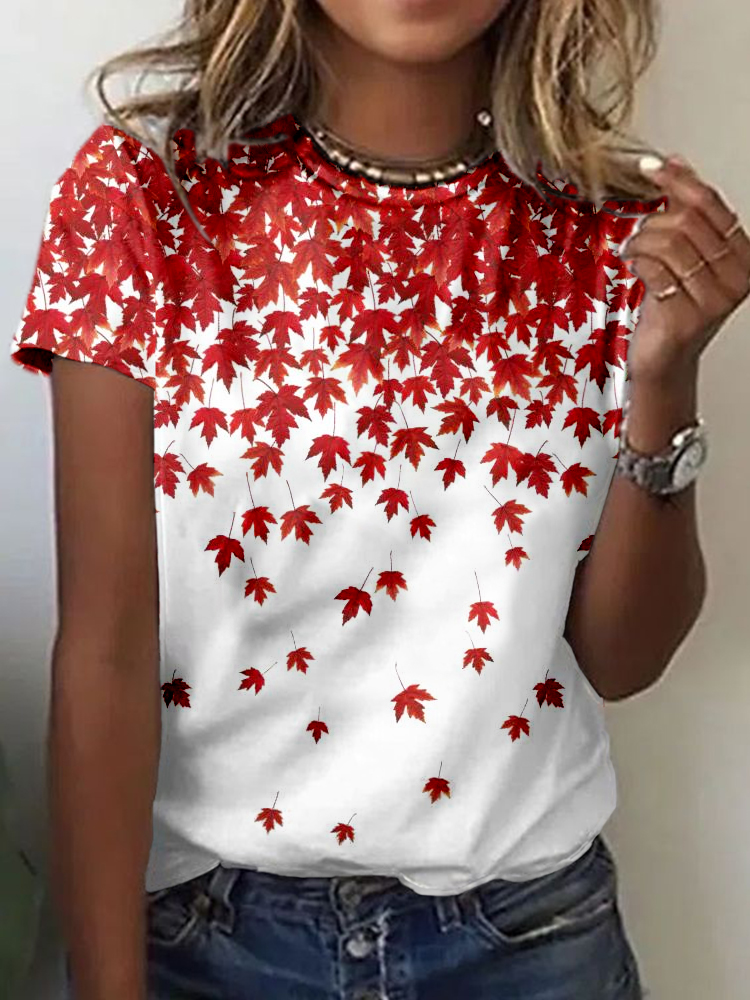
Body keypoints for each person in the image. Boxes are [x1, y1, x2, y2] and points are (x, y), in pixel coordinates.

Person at [9, 1, 749, 998]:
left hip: (528, 939)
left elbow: (623, 659)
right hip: (209, 939)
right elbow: (104, 652)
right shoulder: (145, 195)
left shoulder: (617, 227)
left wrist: (665, 378)